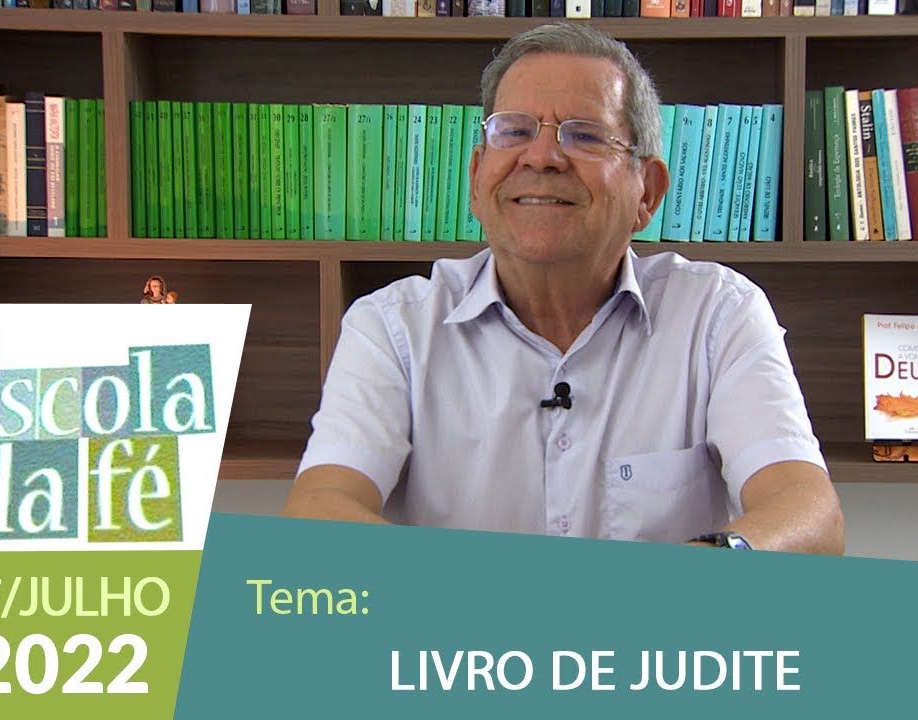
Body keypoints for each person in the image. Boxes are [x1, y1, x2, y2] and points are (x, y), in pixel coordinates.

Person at [283, 22, 843, 554]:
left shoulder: (719, 315)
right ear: (477, 178)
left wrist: (692, 573)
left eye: (585, 135)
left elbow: (809, 516)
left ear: (647, 192)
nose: (542, 157)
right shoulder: (392, 326)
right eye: (514, 131)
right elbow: (318, 509)